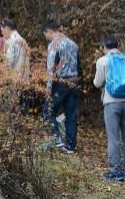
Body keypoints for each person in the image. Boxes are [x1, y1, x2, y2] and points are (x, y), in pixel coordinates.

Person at [93, 36, 125, 182]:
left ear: (104, 47)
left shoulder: (102, 61)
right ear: (118, 46)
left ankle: (116, 172)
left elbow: (97, 83)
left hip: (111, 103)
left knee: (113, 139)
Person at [41, 20, 80, 154]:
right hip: (74, 82)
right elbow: (78, 66)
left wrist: (48, 87)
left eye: (45, 34)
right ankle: (71, 146)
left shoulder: (54, 45)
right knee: (71, 115)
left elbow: (51, 69)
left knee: (48, 110)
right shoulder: (73, 44)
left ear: (49, 31)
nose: (46, 37)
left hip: (60, 83)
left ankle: (55, 138)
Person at [1, 19, 30, 83]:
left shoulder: (11, 40)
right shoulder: (22, 39)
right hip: (24, 76)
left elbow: (9, 61)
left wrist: (3, 74)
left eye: (2, 30)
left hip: (16, 78)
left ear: (7, 28)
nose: (2, 33)